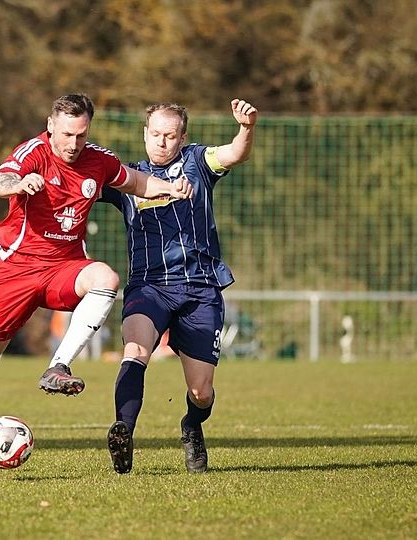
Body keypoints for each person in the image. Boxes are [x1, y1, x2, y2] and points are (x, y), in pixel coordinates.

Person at [0, 93, 193, 468]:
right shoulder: (33, 152)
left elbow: (135, 182)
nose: (73, 144)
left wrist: (170, 188)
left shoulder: (98, 160)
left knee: (106, 277)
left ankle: (59, 366)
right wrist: (19, 185)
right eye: (67, 134)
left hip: (64, 267)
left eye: (81, 135)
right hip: (17, 270)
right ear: (51, 125)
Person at [99, 99, 258, 473]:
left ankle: (190, 426)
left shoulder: (199, 163)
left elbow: (234, 153)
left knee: (201, 392)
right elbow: (83, 181)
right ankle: (124, 433)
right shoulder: (129, 177)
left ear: (183, 137)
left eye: (170, 136)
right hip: (149, 286)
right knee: (135, 350)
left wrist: (246, 128)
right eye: (155, 134)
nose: (161, 142)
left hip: (200, 288)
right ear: (144, 134)